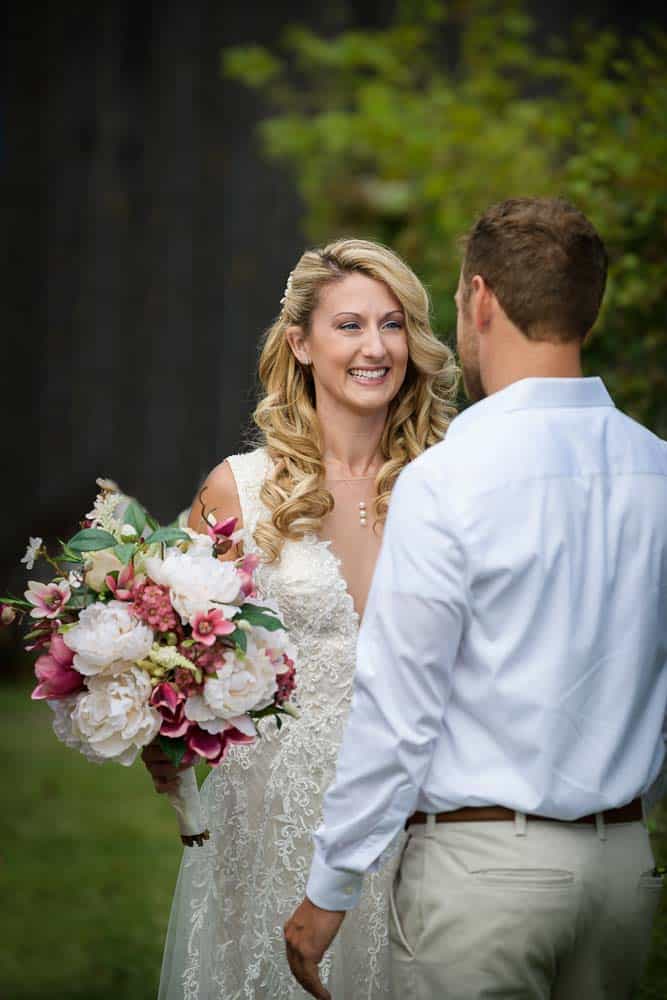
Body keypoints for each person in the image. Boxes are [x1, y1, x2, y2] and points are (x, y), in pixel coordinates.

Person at [285, 198, 667, 1000]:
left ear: (480, 300)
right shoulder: (656, 470)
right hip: (624, 874)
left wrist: (331, 887)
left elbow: (398, 707)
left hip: (481, 878)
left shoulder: (446, 480)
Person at [144, 237, 459, 998]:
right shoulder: (240, 491)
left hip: (420, 805)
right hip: (270, 812)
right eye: (349, 325)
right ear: (300, 342)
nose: (376, 348)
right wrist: (164, 729)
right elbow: (176, 648)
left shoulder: (450, 483)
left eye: (393, 325)